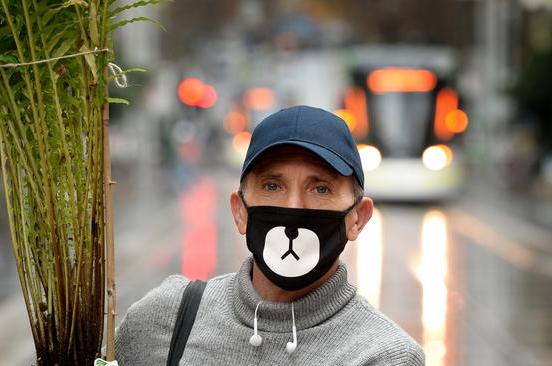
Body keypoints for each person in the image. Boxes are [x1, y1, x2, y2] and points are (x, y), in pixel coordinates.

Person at [115, 105, 424, 365]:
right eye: (272, 186)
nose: (294, 207)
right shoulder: (165, 319)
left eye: (320, 188)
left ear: (358, 218)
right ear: (240, 210)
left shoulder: (384, 356)